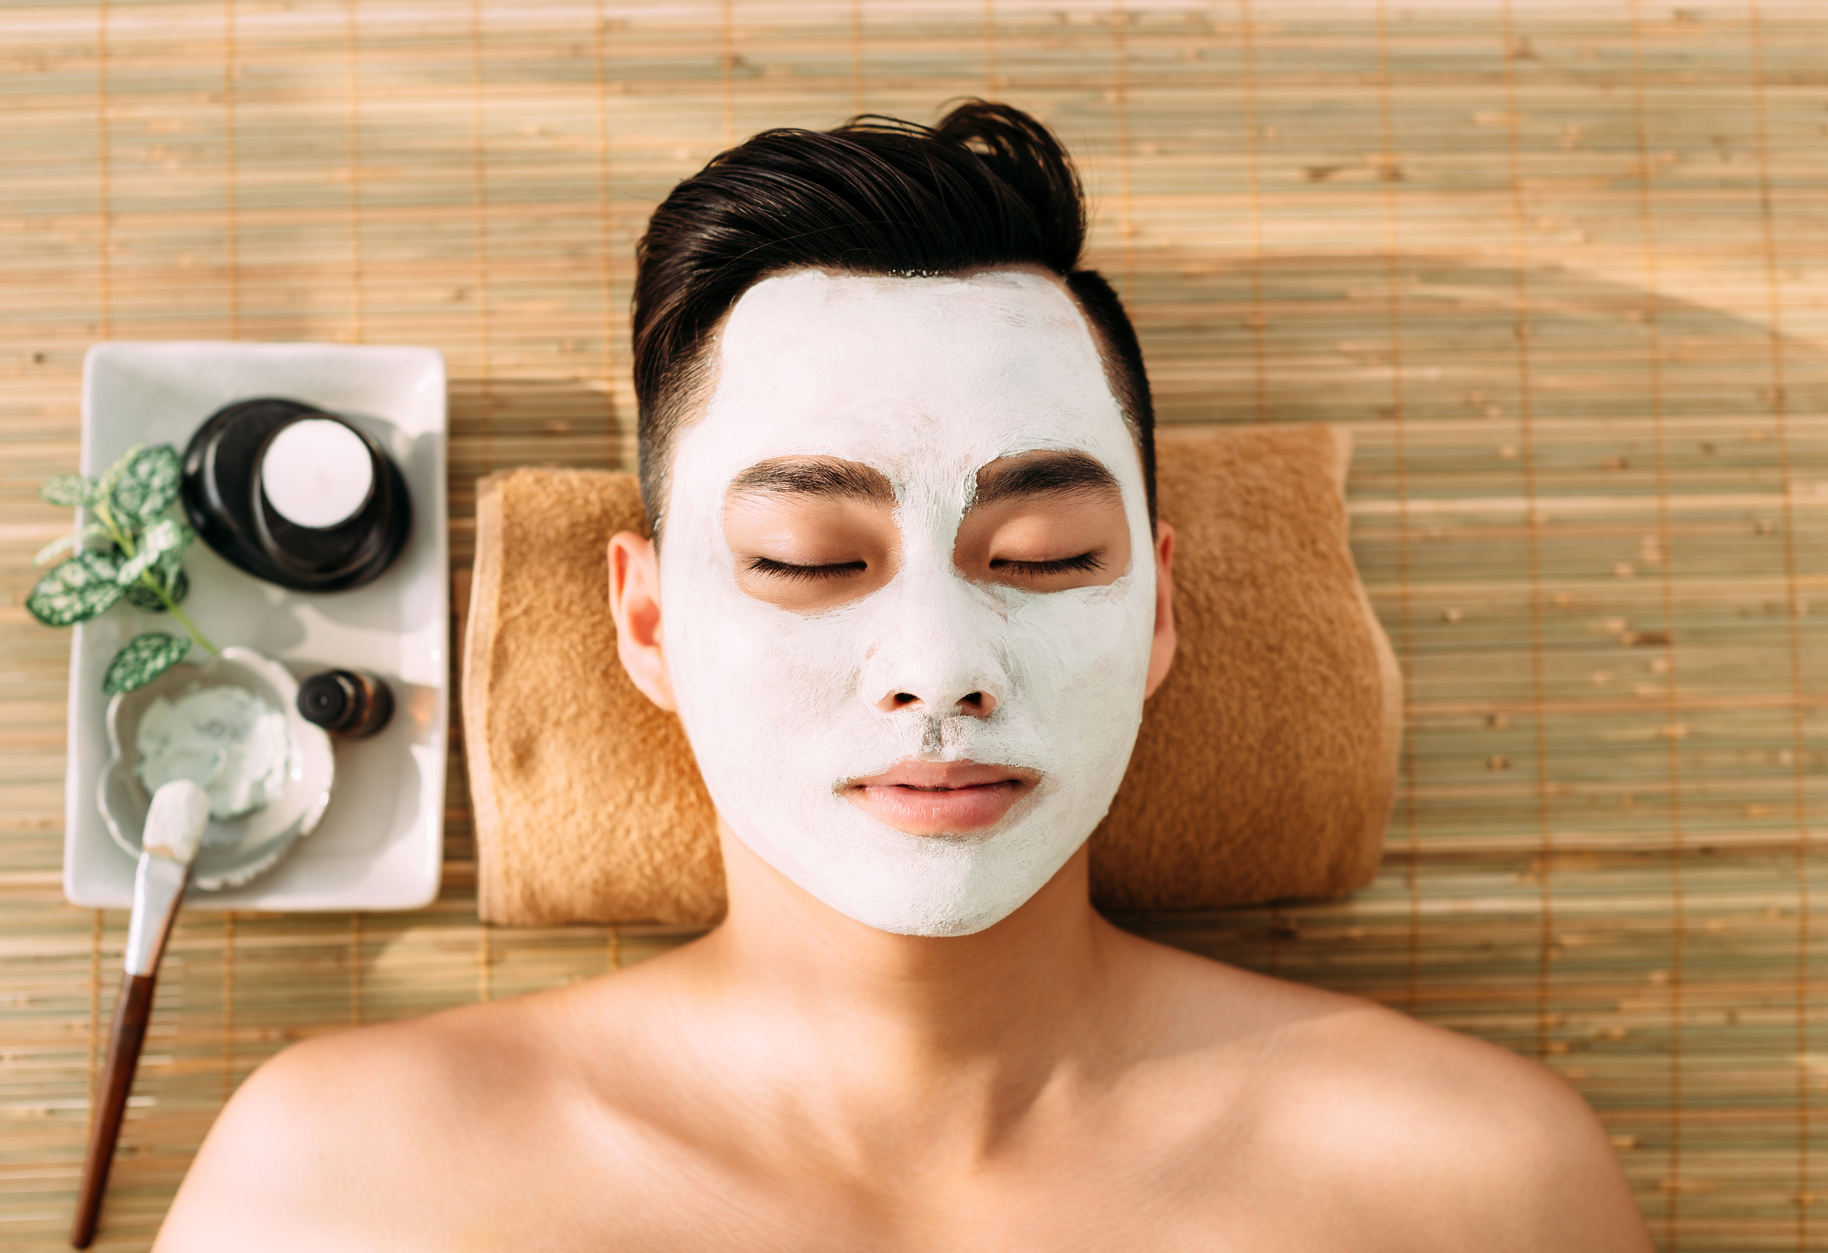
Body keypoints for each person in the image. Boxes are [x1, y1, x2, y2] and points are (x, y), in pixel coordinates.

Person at [158, 102, 1651, 1251]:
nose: (939, 670)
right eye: (812, 559)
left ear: (1157, 613)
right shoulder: (345, 1190)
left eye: (1051, 555)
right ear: (648, 623)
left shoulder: (1471, 1189)